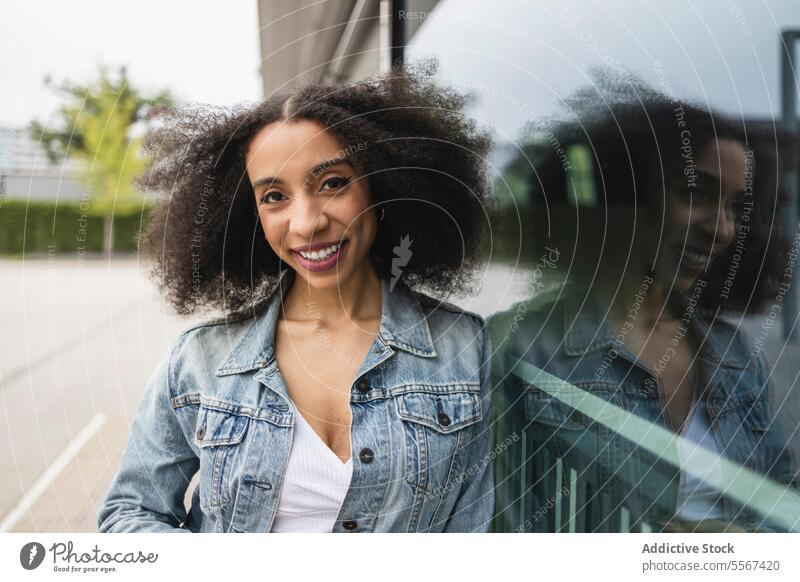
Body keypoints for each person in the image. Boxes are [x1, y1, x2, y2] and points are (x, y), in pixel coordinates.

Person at [98, 63, 495, 533]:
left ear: (383, 186)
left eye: (332, 183)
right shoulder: (201, 359)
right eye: (274, 197)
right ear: (252, 217)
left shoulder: (465, 350)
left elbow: (474, 536)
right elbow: (130, 513)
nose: (306, 223)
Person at [491, 75, 799, 533]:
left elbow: (782, 508)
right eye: (697, 194)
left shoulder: (731, 353)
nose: (722, 229)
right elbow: (510, 529)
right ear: (630, 194)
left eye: (736, 207)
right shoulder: (526, 349)